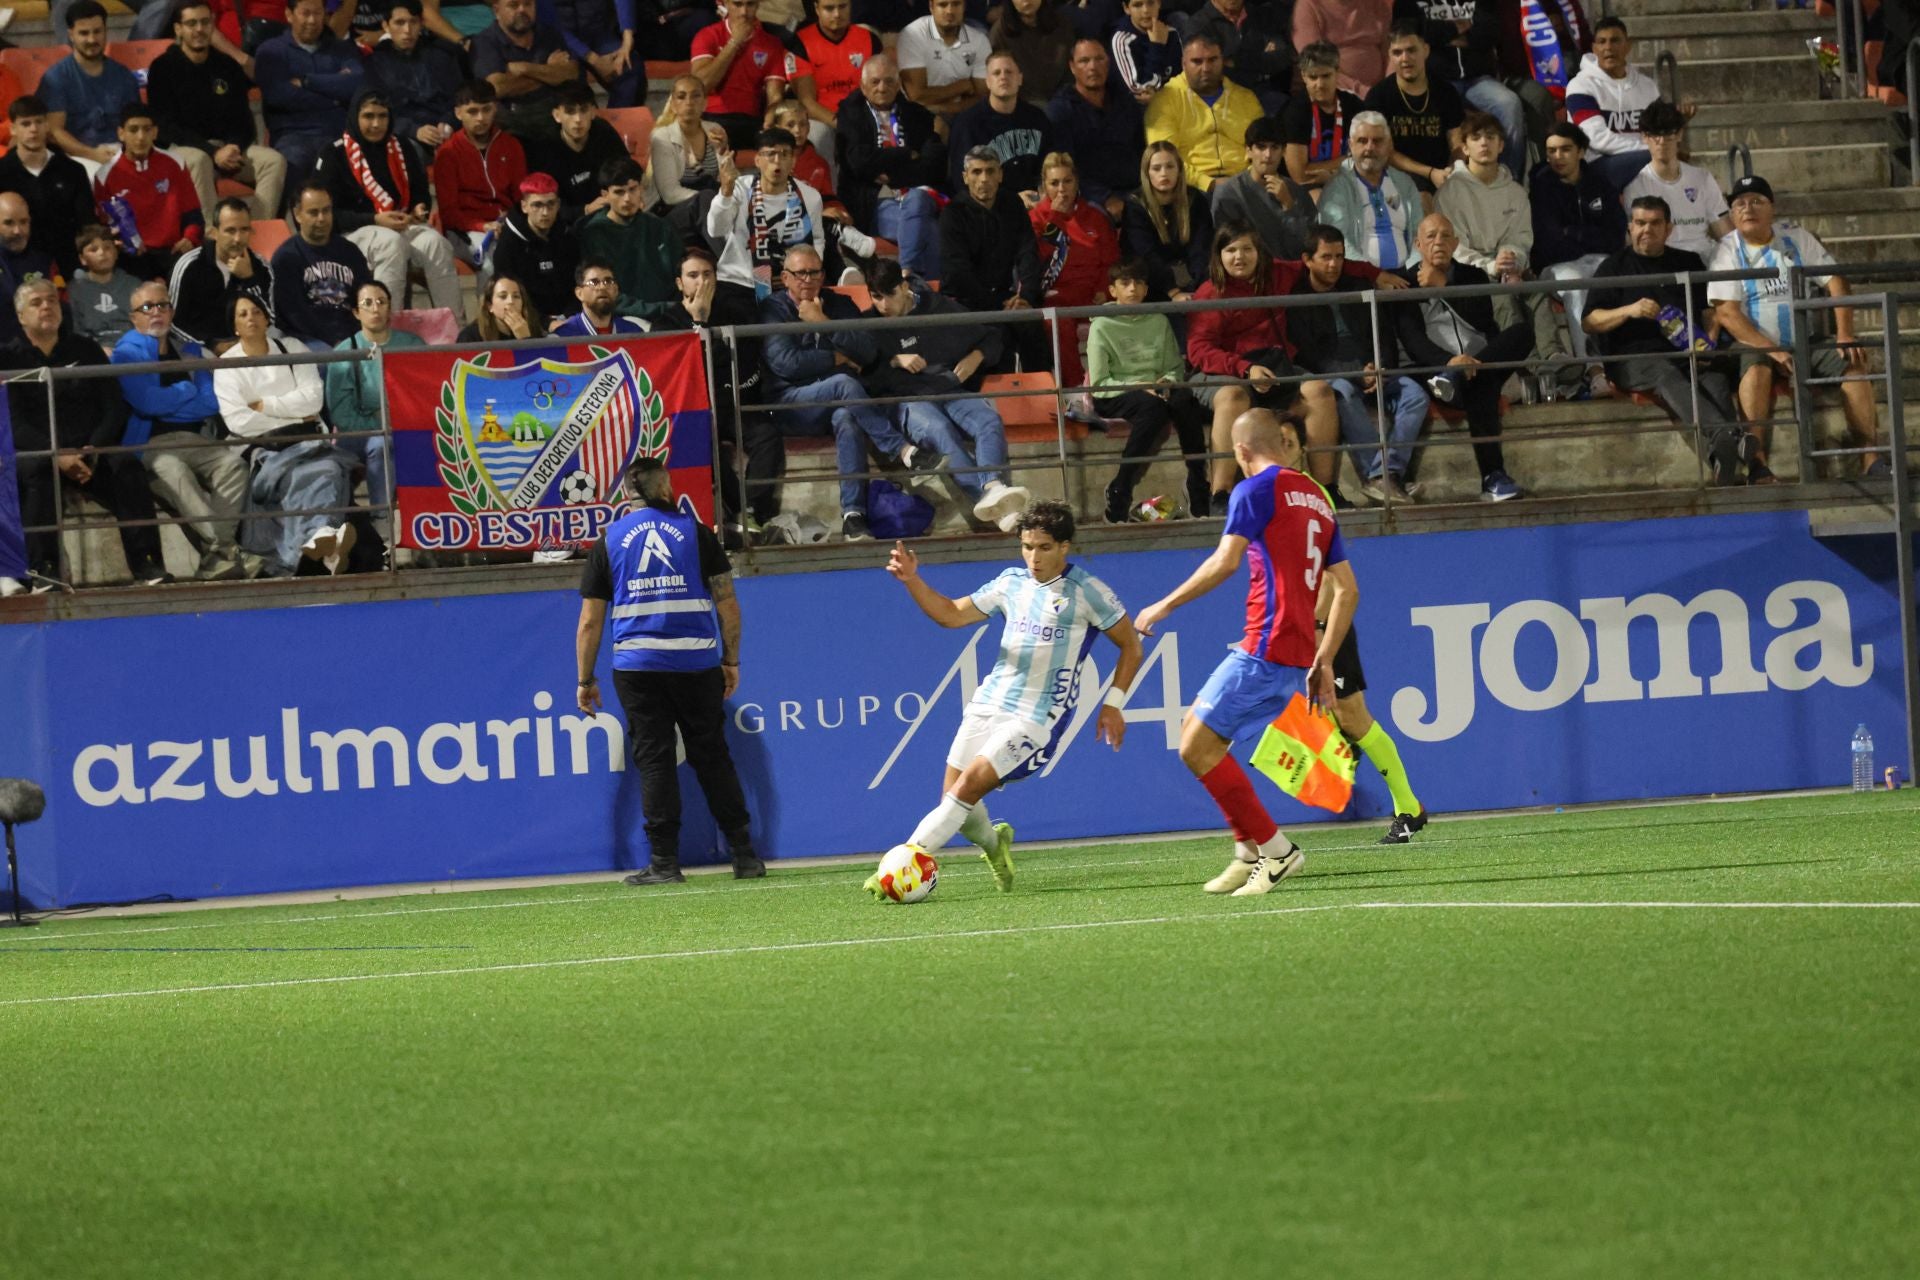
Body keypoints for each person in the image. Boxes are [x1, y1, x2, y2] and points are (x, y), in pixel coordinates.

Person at [1132, 408, 1359, 896]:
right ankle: (1247, 851)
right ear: (1283, 442)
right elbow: (1347, 590)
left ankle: (1277, 851)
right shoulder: (1317, 496)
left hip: (1265, 645)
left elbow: (1225, 561)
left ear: (1239, 450)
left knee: (1194, 747)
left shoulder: (1254, 490)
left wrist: (1164, 605)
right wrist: (1324, 659)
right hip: (1294, 650)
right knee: (1199, 732)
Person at [875, 500, 1140, 894]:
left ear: (1064, 547)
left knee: (967, 788)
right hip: (989, 702)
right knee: (954, 800)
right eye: (1027, 547)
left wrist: (1113, 703)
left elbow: (1131, 646)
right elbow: (951, 614)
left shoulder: (1088, 591)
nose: (1034, 557)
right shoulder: (1010, 583)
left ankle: (901, 867)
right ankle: (995, 845)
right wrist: (913, 580)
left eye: (1044, 547)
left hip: (1036, 717)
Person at [576, 457, 763, 885]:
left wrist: (585, 680)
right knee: (712, 755)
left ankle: (664, 863)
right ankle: (745, 856)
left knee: (655, 760)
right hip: (696, 663)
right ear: (665, 489)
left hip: (638, 668)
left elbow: (590, 621)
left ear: (627, 496)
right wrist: (731, 660)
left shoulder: (609, 541)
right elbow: (728, 605)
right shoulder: (697, 534)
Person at [1260, 408, 1428, 842]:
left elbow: (1332, 578)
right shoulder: (1270, 493)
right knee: (1330, 717)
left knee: (1354, 718)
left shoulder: (1311, 495)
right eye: (1276, 440)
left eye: (1290, 441)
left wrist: (1320, 632)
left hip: (1322, 627)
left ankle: (1408, 806)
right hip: (1294, 627)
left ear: (1300, 448)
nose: (1282, 448)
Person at [1187, 220, 1384, 511]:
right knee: (1233, 397)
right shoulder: (1209, 293)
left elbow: (1322, 263)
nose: (1239, 257)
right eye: (1231, 250)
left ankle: (1325, 490)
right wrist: (1244, 369)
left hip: (1275, 366)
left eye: (1247, 249)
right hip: (1223, 372)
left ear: (1259, 252)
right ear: (1219, 255)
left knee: (1319, 390)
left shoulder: (1278, 274)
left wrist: (1377, 274)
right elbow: (1198, 350)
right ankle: (1220, 495)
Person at [1707, 175, 1884, 479]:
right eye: (1740, 204)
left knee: (1853, 363)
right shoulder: (1727, 249)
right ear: (1732, 214)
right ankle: (1757, 465)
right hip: (1755, 344)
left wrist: (1844, 333)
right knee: (1756, 368)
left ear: (1772, 208)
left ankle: (1872, 459)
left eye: (1757, 201)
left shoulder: (1796, 237)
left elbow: (1836, 282)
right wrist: (1773, 351)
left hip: (1804, 340)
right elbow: (1727, 314)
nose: (1748, 209)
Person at [3, 277, 171, 589]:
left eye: (52, 300)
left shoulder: (85, 349)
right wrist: (56, 454)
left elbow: (113, 406)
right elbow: (14, 421)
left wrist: (92, 448)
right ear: (21, 316)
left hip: (90, 450)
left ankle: (148, 565)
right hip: (41, 453)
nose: (46, 307)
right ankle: (44, 572)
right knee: (34, 475)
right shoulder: (7, 358)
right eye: (36, 303)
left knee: (127, 468)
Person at [761, 244, 935, 540]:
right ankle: (902, 450)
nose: (808, 279)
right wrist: (837, 357)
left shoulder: (839, 305)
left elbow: (867, 352)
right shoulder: (772, 310)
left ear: (823, 275)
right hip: (790, 404)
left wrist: (823, 323)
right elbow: (786, 363)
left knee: (847, 417)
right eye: (800, 273)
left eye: (814, 272)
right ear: (785, 277)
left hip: (840, 401)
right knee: (843, 383)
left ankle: (853, 517)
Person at [1583, 195, 1747, 484]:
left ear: (1669, 228)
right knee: (1666, 374)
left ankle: (1724, 466)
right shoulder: (1613, 267)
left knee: (1715, 379)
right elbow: (1590, 321)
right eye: (1640, 223)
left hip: (1687, 352)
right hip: (1633, 359)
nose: (1647, 229)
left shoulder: (1688, 262)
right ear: (1630, 227)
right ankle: (1728, 435)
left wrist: (1706, 344)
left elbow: (1708, 312)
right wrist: (1628, 310)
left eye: (1655, 223)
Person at [865, 256, 1033, 529]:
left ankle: (993, 486)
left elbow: (991, 336)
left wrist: (976, 356)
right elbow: (864, 375)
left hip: (950, 389)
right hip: (908, 400)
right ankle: (995, 506)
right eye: (876, 297)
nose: (883, 305)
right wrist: (893, 360)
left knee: (988, 420)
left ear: (905, 286)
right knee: (940, 430)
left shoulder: (938, 307)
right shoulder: (867, 325)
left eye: (890, 295)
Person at [109, 278, 258, 580]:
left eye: (162, 305)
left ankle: (218, 556)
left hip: (194, 438)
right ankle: (229, 551)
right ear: (134, 317)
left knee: (234, 466)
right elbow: (146, 403)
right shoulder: (127, 353)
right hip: (150, 443)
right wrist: (185, 390)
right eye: (147, 307)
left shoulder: (189, 350)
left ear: (172, 311)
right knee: (175, 472)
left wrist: (171, 401)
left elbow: (210, 403)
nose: (156, 312)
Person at [214, 291, 363, 575]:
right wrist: (293, 414)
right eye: (243, 314)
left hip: (307, 440)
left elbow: (313, 400)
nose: (251, 318)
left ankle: (320, 540)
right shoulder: (226, 366)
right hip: (266, 448)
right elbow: (239, 422)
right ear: (235, 326)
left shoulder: (292, 348)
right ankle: (323, 539)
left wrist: (265, 405)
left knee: (330, 469)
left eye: (256, 312)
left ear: (266, 318)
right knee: (304, 476)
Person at [1288, 224, 1430, 504]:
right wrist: (1356, 373)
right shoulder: (1297, 299)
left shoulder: (1358, 287)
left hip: (1372, 367)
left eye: (1339, 257)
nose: (1334, 264)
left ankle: (1385, 474)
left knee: (1415, 394)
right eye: (1326, 257)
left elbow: (1383, 334)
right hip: (1336, 374)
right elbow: (1310, 357)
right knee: (1341, 391)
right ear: (1307, 260)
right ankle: (1384, 477)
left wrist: (1380, 366)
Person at [1390, 211, 1526, 501]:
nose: (1438, 242)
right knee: (1483, 385)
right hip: (1437, 371)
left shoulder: (1473, 276)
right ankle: (1493, 477)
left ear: (1455, 243)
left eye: (1445, 236)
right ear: (1417, 244)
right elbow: (1413, 340)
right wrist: (1449, 362)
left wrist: (1444, 286)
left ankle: (1465, 374)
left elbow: (1481, 320)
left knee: (1522, 333)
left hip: (1477, 362)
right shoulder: (1404, 283)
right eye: (1431, 236)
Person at [311, 89, 462, 315]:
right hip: (351, 233)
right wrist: (374, 219)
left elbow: (420, 193)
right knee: (390, 243)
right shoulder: (334, 154)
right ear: (354, 116)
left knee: (436, 244)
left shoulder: (402, 147)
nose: (376, 124)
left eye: (382, 116)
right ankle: (387, 327)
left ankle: (454, 327)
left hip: (400, 225)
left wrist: (419, 209)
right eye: (368, 116)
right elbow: (327, 215)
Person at [1088, 257, 1208, 521]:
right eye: (1125, 283)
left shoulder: (1158, 320)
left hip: (1156, 389)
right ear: (1113, 290)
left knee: (1185, 401)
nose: (1132, 289)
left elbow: (1173, 367)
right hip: (1115, 392)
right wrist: (1141, 387)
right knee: (1153, 409)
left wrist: (1166, 381)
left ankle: (1198, 483)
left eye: (1138, 283)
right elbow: (1100, 383)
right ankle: (1121, 488)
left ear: (1145, 289)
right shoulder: (1101, 325)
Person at [148, 0, 286, 223]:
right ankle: (212, 235)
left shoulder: (227, 65)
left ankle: (257, 229)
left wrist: (234, 146)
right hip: (185, 150)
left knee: (273, 161)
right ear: (178, 29)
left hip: (227, 150)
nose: (199, 29)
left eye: (205, 22)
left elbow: (243, 121)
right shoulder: (162, 68)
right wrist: (212, 152)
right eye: (191, 24)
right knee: (200, 160)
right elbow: (166, 128)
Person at [707, 127, 877, 300]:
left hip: (791, 285)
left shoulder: (810, 196)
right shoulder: (739, 188)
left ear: (793, 160)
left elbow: (817, 241)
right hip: (740, 282)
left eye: (784, 154)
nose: (777, 161)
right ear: (757, 160)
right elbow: (716, 230)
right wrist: (725, 193)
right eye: (770, 154)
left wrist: (804, 274)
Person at [1529, 121, 1625, 400]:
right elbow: (1549, 242)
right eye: (1551, 151)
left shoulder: (1600, 183)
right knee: (1576, 283)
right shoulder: (1541, 187)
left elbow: (1616, 236)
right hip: (1555, 267)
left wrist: (1574, 233)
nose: (1557, 157)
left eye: (1565, 149)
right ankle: (1594, 370)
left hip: (1598, 259)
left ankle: (1628, 364)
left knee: (1622, 274)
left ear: (1581, 151)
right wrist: (1589, 236)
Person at [834, 54, 946, 277]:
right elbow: (859, 162)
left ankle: (908, 276)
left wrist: (892, 174)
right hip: (874, 202)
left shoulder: (916, 114)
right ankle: (921, 281)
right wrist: (906, 154)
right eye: (875, 82)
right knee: (931, 229)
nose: (882, 87)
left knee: (917, 200)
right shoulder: (850, 114)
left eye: (889, 81)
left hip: (915, 194)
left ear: (898, 85)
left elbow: (934, 163)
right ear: (863, 86)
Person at [939, 146, 1046, 373]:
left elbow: (1027, 251)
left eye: (990, 171)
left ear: (1000, 175)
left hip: (1003, 298)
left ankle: (1042, 388)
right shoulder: (953, 214)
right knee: (998, 335)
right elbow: (958, 273)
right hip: (963, 303)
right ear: (965, 177)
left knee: (1033, 324)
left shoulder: (1012, 204)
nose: (984, 179)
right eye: (976, 172)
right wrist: (998, 305)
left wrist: (1026, 297)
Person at [1396, 0, 1525, 182]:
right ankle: (1434, 183)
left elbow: (1491, 31)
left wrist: (1443, 37)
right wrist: (1457, 28)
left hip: (1478, 79)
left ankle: (1507, 181)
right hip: (1436, 79)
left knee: (1509, 104)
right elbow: (1411, 31)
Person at [326, 279, 422, 511]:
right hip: (359, 434)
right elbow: (341, 414)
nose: (375, 308)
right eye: (367, 303)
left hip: (409, 427)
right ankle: (382, 518)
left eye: (381, 302)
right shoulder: (344, 352)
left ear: (390, 307)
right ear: (356, 312)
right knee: (381, 444)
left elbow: (427, 392)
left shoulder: (413, 344)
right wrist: (381, 422)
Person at [1030, 151, 1117, 396]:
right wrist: (1056, 218)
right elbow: (1040, 260)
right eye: (1054, 183)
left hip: (1093, 297)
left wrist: (1103, 289)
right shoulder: (1035, 218)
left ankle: (1115, 389)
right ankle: (1077, 391)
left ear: (1076, 182)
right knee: (1056, 322)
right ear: (1044, 186)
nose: (1061, 189)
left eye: (1067, 181)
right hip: (1055, 299)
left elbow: (1111, 262)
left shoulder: (1095, 216)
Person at [1434, 109, 1530, 327]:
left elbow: (1520, 238)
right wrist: (1492, 266)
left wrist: (1511, 259)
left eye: (1490, 137)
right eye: (1476, 138)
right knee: (1505, 303)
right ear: (1465, 148)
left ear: (1501, 145)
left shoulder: (1516, 192)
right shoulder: (1450, 192)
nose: (1484, 143)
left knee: (1539, 296)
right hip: (1470, 276)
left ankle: (1553, 350)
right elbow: (1455, 248)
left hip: (1510, 272)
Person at [255, 0, 368, 186]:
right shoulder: (270, 51)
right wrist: (335, 96)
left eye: (317, 13)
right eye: (305, 13)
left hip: (338, 132)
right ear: (289, 15)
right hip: (293, 135)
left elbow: (355, 84)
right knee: (293, 163)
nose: (312, 20)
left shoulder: (342, 48)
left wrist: (307, 81)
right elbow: (280, 96)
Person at [92, 103, 204, 282]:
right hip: (133, 257)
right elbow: (105, 228)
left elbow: (193, 214)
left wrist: (190, 238)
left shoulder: (175, 163)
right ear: (121, 133)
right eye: (133, 130)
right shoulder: (104, 175)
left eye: (147, 129)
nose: (141, 136)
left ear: (155, 132)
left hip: (174, 251)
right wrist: (120, 243)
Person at [1143, 34, 1262, 193]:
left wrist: (1249, 178)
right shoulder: (1165, 100)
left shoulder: (1246, 98)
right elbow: (1164, 158)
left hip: (1245, 184)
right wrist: (1208, 183)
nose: (1206, 68)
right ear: (1184, 63)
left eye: (1212, 60)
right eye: (1197, 61)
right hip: (1190, 188)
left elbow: (1263, 149)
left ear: (1222, 60)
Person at [573, 158, 685, 324]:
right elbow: (603, 293)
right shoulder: (593, 234)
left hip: (670, 313)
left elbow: (681, 272)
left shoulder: (659, 226)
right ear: (605, 195)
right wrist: (663, 309)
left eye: (633, 189)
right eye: (619, 192)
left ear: (641, 188)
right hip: (623, 319)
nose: (627, 198)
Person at [1364, 21, 1467, 197]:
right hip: (1398, 176)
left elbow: (1456, 142)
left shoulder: (1446, 92)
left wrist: (1454, 168)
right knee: (1422, 196)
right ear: (1390, 56)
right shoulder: (1378, 96)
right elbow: (1385, 152)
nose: (1405, 59)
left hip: (1443, 174)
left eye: (1411, 50)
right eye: (1397, 53)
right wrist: (1429, 173)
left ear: (1425, 50)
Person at [431, 80, 529, 265]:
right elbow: (449, 213)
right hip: (464, 230)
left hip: (506, 224)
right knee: (493, 260)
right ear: (458, 113)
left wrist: (511, 221)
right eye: (472, 111)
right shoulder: (448, 153)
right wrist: (481, 226)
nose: (481, 118)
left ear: (495, 108)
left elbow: (521, 198)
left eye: (486, 110)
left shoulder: (511, 145)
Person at [0, 96, 99, 278]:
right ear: (13, 129)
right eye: (25, 124)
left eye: (39, 122)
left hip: (69, 265)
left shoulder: (73, 171)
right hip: (14, 267)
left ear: (47, 125)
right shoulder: (2, 173)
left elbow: (87, 224)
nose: (33, 129)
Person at [40, 1, 143, 172]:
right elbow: (55, 131)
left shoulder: (123, 75)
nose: (92, 39)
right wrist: (92, 154)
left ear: (106, 31)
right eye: (84, 33)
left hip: (121, 151)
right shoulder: (56, 77)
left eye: (97, 32)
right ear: (71, 35)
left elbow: (135, 122)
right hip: (76, 157)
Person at [1046, 39, 1144, 218]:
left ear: (1108, 63)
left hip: (1136, 189)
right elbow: (1065, 168)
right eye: (1084, 61)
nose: (1093, 66)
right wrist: (1105, 198)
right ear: (1072, 67)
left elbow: (1142, 150)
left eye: (1099, 59)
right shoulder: (1061, 111)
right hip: (1090, 197)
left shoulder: (1126, 102)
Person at [270, 182, 375, 348]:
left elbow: (365, 296)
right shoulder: (285, 258)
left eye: (326, 210)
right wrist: (334, 341)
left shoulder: (350, 252)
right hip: (306, 339)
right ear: (297, 215)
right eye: (313, 212)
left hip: (351, 335)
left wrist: (357, 336)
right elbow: (294, 315)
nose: (321, 218)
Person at [1622, 99, 1729, 261]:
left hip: (1703, 260)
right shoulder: (1636, 184)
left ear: (1679, 134)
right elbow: (1638, 241)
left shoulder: (1702, 178)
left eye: (1668, 133)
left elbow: (1726, 232)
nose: (1662, 141)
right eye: (1655, 134)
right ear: (1644, 137)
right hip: (1662, 261)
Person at [1315, 111, 1421, 271]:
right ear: (1350, 145)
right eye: (1362, 141)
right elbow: (1338, 244)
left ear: (1389, 145)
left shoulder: (1404, 183)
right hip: (1359, 277)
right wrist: (1373, 275)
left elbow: (1419, 232)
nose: (1370, 147)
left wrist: (1416, 267)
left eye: (1377, 141)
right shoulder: (1337, 189)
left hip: (1407, 274)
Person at [364, 0, 471, 155]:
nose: (407, 30)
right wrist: (415, 131)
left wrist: (449, 122)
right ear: (386, 26)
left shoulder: (441, 55)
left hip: (448, 128)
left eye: (413, 22)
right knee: (411, 151)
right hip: (406, 135)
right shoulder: (374, 64)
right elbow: (377, 110)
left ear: (421, 24)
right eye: (399, 23)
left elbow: (460, 97)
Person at [947, 51, 1058, 198]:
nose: (1003, 77)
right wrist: (1013, 200)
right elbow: (963, 183)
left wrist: (1044, 195)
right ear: (988, 82)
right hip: (989, 204)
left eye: (1009, 72)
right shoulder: (967, 124)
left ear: (1020, 79)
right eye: (996, 73)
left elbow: (1051, 166)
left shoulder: (1037, 118)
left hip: (1036, 201)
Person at [1564, 16, 1658, 190]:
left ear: (1628, 45)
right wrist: (1651, 151)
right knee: (1658, 160)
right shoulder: (1580, 86)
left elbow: (1658, 131)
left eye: (1615, 41)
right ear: (1594, 48)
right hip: (1596, 164)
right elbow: (1597, 139)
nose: (1608, 47)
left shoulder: (1648, 87)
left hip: (1643, 158)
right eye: (1602, 42)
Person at [169, 196, 273, 350]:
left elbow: (271, 319)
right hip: (202, 349)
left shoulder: (260, 266)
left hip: (249, 346)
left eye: (244, 230)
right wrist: (212, 345)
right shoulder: (189, 265)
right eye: (230, 231)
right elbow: (172, 323)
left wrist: (249, 279)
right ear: (214, 233)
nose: (237, 239)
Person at [1208, 116, 1316, 262]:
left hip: (1291, 270)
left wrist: (1289, 207)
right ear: (1248, 151)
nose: (1268, 155)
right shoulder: (1228, 194)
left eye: (1274, 147)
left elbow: (1307, 248)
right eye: (1261, 147)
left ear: (1284, 151)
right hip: (1247, 270)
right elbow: (1226, 249)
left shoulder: (1297, 193)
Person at [522, 82, 628, 226]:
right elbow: (540, 205)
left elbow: (627, 175)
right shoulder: (543, 147)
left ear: (593, 112)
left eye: (583, 110)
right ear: (557, 115)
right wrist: (585, 210)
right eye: (570, 112)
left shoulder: (604, 134)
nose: (578, 119)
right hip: (562, 225)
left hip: (608, 217)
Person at [470, 0, 581, 136]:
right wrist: (549, 72)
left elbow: (571, 73)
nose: (522, 9)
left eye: (528, 4)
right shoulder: (484, 42)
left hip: (554, 118)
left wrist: (525, 68)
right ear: (496, 11)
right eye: (513, 5)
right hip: (510, 125)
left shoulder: (548, 33)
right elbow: (496, 88)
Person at [691, 0, 793, 146]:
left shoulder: (772, 44)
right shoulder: (707, 35)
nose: (744, 12)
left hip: (751, 120)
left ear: (757, 5)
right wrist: (734, 42)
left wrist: (769, 120)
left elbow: (775, 96)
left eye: (750, 4)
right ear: (726, 4)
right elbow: (702, 86)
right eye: (737, 4)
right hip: (711, 116)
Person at [1120, 140, 1210, 304]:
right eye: (1156, 168)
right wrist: (1173, 291)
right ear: (1146, 172)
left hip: (1192, 278)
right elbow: (1146, 256)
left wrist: (1197, 287)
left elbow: (1201, 248)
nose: (1164, 173)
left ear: (1179, 170)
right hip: (1153, 284)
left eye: (1170, 166)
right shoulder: (1135, 205)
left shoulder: (1195, 199)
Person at [649, 76, 732, 237]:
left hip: (711, 206)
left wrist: (722, 151)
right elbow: (670, 194)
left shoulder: (715, 130)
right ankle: (730, 252)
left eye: (696, 96)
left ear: (705, 103)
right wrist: (715, 199)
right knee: (709, 200)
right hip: (673, 211)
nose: (689, 102)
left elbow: (728, 179)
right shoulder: (662, 137)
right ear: (673, 104)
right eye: (681, 97)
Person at [1279, 42, 1364, 194]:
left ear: (1337, 72)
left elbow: (1370, 156)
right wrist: (1347, 161)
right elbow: (1300, 176)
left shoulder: (1354, 105)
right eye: (1313, 77)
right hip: (1304, 190)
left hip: (1347, 181)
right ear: (1303, 76)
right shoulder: (1295, 111)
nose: (1320, 84)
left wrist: (1333, 172)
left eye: (1326, 76)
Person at [491, 171, 577, 320]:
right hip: (527, 322)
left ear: (558, 205)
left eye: (551, 204)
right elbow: (510, 300)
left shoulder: (567, 237)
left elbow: (578, 286)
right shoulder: (508, 246)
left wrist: (571, 317)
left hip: (570, 318)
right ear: (524, 206)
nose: (545, 212)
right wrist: (545, 323)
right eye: (537, 205)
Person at [1185, 0, 1295, 116]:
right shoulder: (1198, 25)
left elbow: (1283, 56)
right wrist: (1261, 64)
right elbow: (1213, 73)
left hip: (1267, 94)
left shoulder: (1261, 14)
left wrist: (1236, 60)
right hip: (1224, 101)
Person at [794, 0, 886, 128]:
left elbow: (881, 88)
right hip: (823, 120)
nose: (837, 14)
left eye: (842, 6)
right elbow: (807, 102)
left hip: (865, 116)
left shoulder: (870, 39)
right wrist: (843, 126)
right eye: (829, 8)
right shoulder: (799, 43)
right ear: (817, 8)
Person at [896, 0, 991, 120]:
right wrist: (962, 86)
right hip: (917, 116)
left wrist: (946, 109)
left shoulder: (979, 40)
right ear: (931, 7)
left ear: (964, 6)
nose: (950, 11)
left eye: (956, 4)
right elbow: (916, 95)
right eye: (943, 5)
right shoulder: (913, 35)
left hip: (965, 115)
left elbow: (983, 97)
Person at [543, 0, 639, 109]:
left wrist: (627, 38)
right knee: (574, 87)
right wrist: (594, 59)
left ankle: (617, 118)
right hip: (560, 41)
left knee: (629, 67)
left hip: (597, 33)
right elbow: (550, 22)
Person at [1293, 0, 1391, 97]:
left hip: (1379, 92)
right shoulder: (1308, 6)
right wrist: (1363, 91)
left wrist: (1392, 86)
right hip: (1332, 93)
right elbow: (1316, 64)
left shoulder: (1376, 3)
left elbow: (1390, 52)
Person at [0, 194, 59, 349]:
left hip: (41, 353)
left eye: (23, 222)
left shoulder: (45, 263)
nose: (17, 231)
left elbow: (62, 309)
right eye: (8, 223)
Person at [69, 224, 140, 350]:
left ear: (116, 253)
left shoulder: (134, 285)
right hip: (92, 353)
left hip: (133, 349)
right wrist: (97, 351)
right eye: (93, 250)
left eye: (107, 247)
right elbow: (76, 331)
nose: (102, 253)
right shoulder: (74, 290)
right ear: (82, 259)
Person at [990, 0, 1074, 106]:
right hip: (1021, 102)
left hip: (1062, 98)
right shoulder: (1000, 33)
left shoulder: (1061, 24)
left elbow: (1071, 70)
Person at [552, 258, 650, 336]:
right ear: (579, 293)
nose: (602, 287)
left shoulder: (634, 333)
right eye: (593, 282)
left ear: (616, 290)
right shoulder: (563, 337)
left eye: (608, 281)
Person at [1109, 0, 1178, 103]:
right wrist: (1157, 46)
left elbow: (1181, 78)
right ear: (1126, 8)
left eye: (1150, 3)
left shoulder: (1171, 33)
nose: (1145, 10)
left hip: (1172, 102)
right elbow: (1140, 90)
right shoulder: (1122, 40)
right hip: (1136, 108)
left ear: (1159, 3)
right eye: (1137, 5)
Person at [459, 272, 546, 341]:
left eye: (516, 296)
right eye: (503, 296)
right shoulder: (470, 337)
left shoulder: (532, 328)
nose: (510, 301)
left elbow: (540, 357)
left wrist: (526, 338)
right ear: (490, 306)